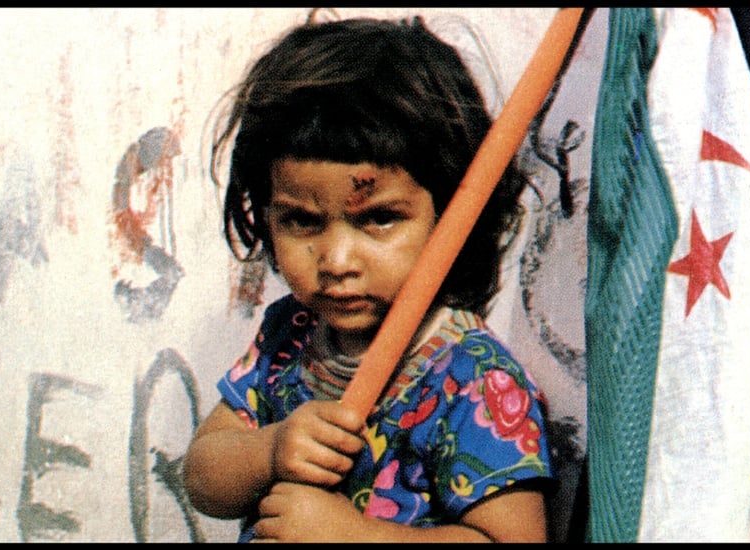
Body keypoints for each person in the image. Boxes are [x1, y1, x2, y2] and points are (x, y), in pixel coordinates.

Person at [183, 15, 555, 543]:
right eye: (301, 221)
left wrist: (355, 537)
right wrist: (269, 450)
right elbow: (202, 476)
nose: (335, 260)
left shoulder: (474, 377)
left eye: (378, 218)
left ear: (450, 214)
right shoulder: (289, 334)